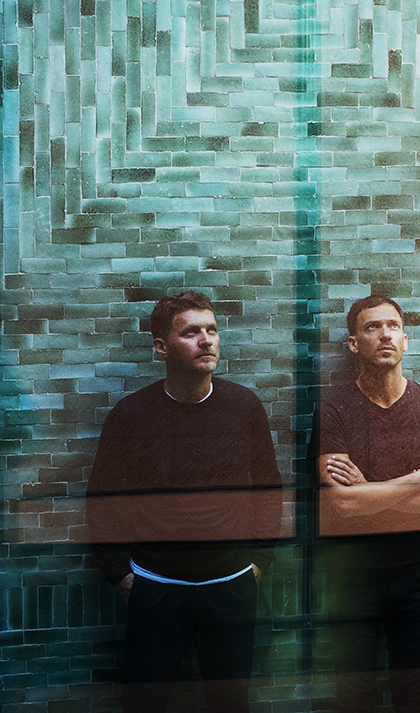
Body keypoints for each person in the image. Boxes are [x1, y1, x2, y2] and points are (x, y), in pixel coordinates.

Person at [86, 290, 282, 713]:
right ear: (161, 347)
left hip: (230, 588)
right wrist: (118, 572)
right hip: (156, 588)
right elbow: (101, 499)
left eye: (211, 330)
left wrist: (259, 561)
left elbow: (269, 488)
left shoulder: (244, 407)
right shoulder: (131, 415)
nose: (206, 340)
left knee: (230, 704)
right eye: (191, 333)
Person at [313, 295, 420, 713]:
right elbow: (344, 504)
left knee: (413, 694)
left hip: (415, 575)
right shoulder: (334, 411)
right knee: (354, 695)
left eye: (393, 326)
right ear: (354, 343)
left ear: (406, 340)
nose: (384, 334)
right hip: (351, 577)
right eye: (372, 327)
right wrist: (419, 478)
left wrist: (370, 492)